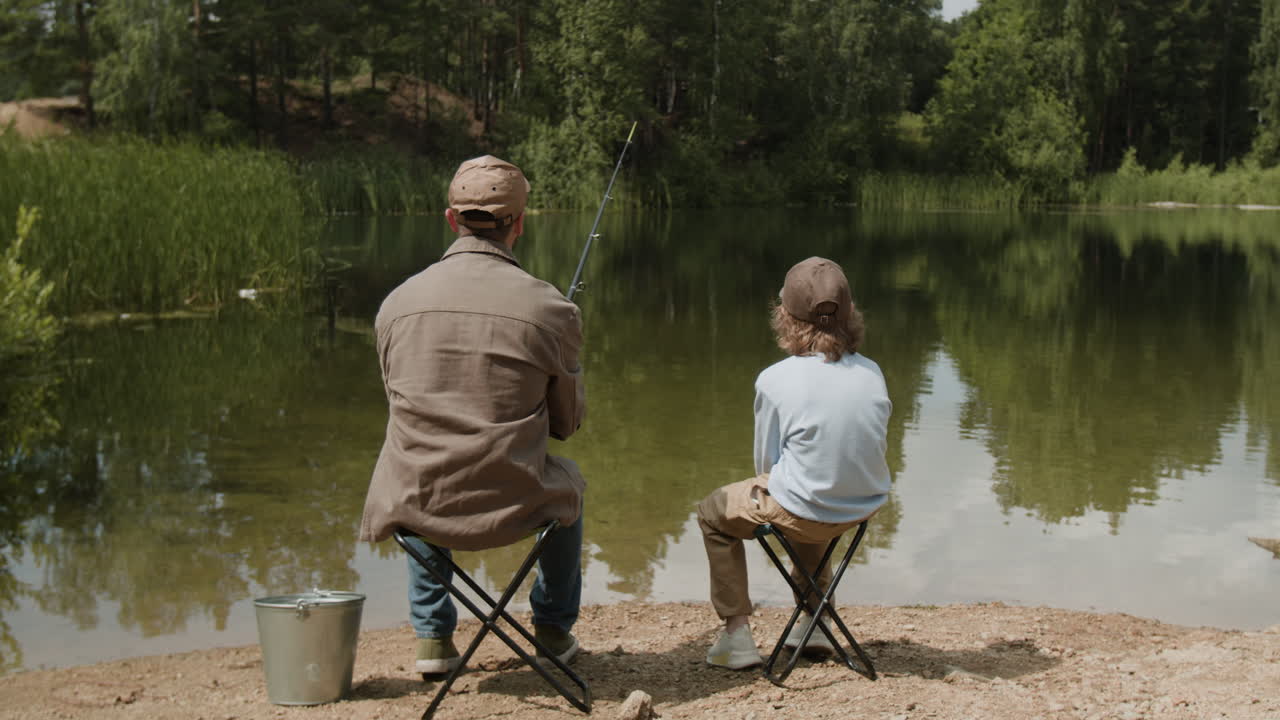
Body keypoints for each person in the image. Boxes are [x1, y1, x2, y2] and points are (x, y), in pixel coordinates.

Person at [359, 155, 587, 678]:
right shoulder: (552, 309)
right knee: (569, 482)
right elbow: (566, 426)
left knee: (416, 461)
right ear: (520, 223)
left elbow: (400, 406)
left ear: (450, 218)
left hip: (420, 504)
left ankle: (435, 639)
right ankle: (551, 629)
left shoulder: (395, 304)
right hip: (514, 500)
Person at [696, 256, 892, 669]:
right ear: (850, 314)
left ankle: (737, 636)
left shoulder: (775, 378)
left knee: (714, 512)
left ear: (785, 316)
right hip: (862, 506)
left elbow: (767, 464)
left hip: (807, 509)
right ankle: (815, 620)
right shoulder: (872, 372)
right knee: (808, 490)